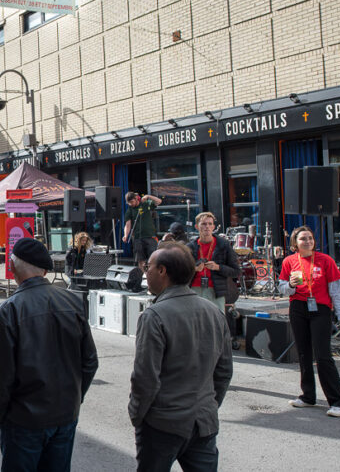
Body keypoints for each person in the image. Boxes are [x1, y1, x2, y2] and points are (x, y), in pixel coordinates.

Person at [0, 237, 98, 471]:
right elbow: (90, 362)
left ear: (13, 267)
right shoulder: (72, 301)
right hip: (64, 413)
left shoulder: (9, 310)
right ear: (45, 270)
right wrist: (75, 398)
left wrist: (2, 414)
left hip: (25, 419)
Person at [130, 242, 233, 472]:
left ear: (162, 271)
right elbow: (224, 371)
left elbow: (145, 378)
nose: (145, 272)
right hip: (203, 422)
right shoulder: (214, 312)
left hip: (163, 423)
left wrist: (137, 414)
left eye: (149, 267)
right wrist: (209, 406)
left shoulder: (154, 315)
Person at [278, 226, 340, 417]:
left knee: (323, 355)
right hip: (298, 308)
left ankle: (338, 402)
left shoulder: (326, 260)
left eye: (310, 238)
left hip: (321, 310)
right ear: (295, 243)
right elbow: (282, 288)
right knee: (303, 353)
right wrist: (291, 285)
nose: (308, 241)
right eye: (303, 239)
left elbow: (337, 290)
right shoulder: (289, 261)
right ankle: (308, 396)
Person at [185, 212, 241, 312]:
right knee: (196, 323)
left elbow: (236, 271)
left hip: (216, 291)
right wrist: (194, 269)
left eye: (210, 224)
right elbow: (181, 272)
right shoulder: (190, 247)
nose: (207, 227)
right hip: (194, 289)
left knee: (217, 323)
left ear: (213, 227)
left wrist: (218, 267)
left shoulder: (223, 245)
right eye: (204, 224)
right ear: (197, 226)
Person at [122, 192, 162, 271]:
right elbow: (128, 224)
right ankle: (143, 276)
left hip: (150, 236)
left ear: (136, 198)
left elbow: (159, 201)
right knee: (140, 259)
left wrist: (148, 196)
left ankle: (153, 275)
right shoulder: (130, 210)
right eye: (129, 203)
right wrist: (126, 235)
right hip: (138, 237)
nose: (131, 204)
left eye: (132, 202)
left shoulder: (145, 204)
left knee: (153, 258)